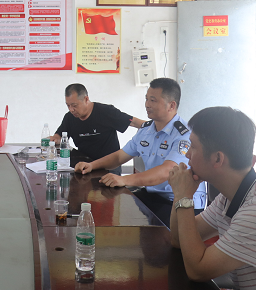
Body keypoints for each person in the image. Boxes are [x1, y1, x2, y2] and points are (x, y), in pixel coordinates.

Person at [169, 107, 256, 288]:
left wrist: (184, 197)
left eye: (193, 146)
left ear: (217, 159)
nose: (187, 154)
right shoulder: (231, 195)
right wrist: (180, 194)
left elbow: (198, 271)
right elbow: (177, 240)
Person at [74, 78, 206, 227]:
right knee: (111, 198)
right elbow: (120, 156)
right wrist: (92, 165)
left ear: (171, 105)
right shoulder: (146, 130)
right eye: (146, 99)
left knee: (152, 232)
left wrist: (124, 179)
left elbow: (167, 171)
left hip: (180, 201)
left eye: (153, 100)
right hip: (152, 194)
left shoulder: (184, 135)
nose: (147, 104)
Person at [51, 83, 145, 175]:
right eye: (68, 105)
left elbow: (134, 122)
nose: (71, 109)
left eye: (74, 105)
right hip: (84, 164)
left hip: (108, 166)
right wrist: (55, 139)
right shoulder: (69, 117)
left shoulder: (106, 111)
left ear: (86, 99)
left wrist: (152, 128)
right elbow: (59, 135)